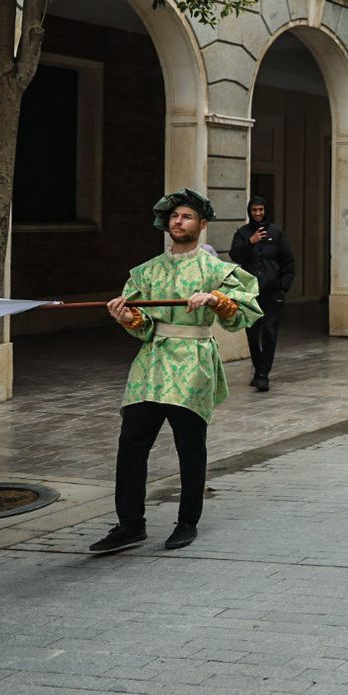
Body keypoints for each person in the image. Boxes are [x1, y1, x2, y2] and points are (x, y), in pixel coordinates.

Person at [90, 189, 261, 554]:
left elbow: (242, 311)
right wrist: (128, 316)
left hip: (193, 361)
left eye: (186, 216)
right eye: (173, 216)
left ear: (202, 224)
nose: (178, 222)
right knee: (131, 444)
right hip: (151, 363)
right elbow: (144, 324)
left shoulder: (215, 270)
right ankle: (130, 524)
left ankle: (187, 521)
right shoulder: (147, 271)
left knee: (190, 445)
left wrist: (216, 299)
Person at [228, 195, 294, 393]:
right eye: (254, 210)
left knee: (269, 331)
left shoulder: (276, 233)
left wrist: (283, 287)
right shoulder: (242, 233)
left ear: (265, 211)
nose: (258, 213)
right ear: (250, 211)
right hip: (250, 293)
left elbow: (288, 261)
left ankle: (263, 374)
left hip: (273, 292)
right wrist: (250, 242)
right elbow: (235, 256)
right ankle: (258, 369)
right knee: (253, 333)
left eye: (261, 210)